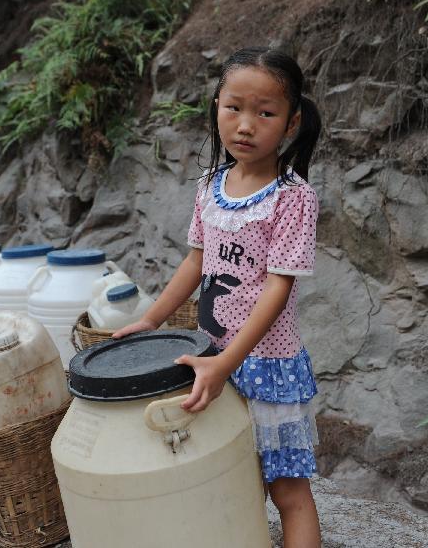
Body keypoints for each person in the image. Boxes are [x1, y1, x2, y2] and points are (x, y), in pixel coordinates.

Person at [114, 47, 323, 547]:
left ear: (291, 123)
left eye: (265, 113)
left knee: (287, 490)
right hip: (214, 360)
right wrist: (151, 321)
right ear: (216, 107)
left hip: (265, 366)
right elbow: (195, 262)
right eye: (234, 108)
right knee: (231, 476)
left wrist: (226, 362)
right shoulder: (210, 185)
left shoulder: (293, 198)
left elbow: (278, 286)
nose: (246, 125)